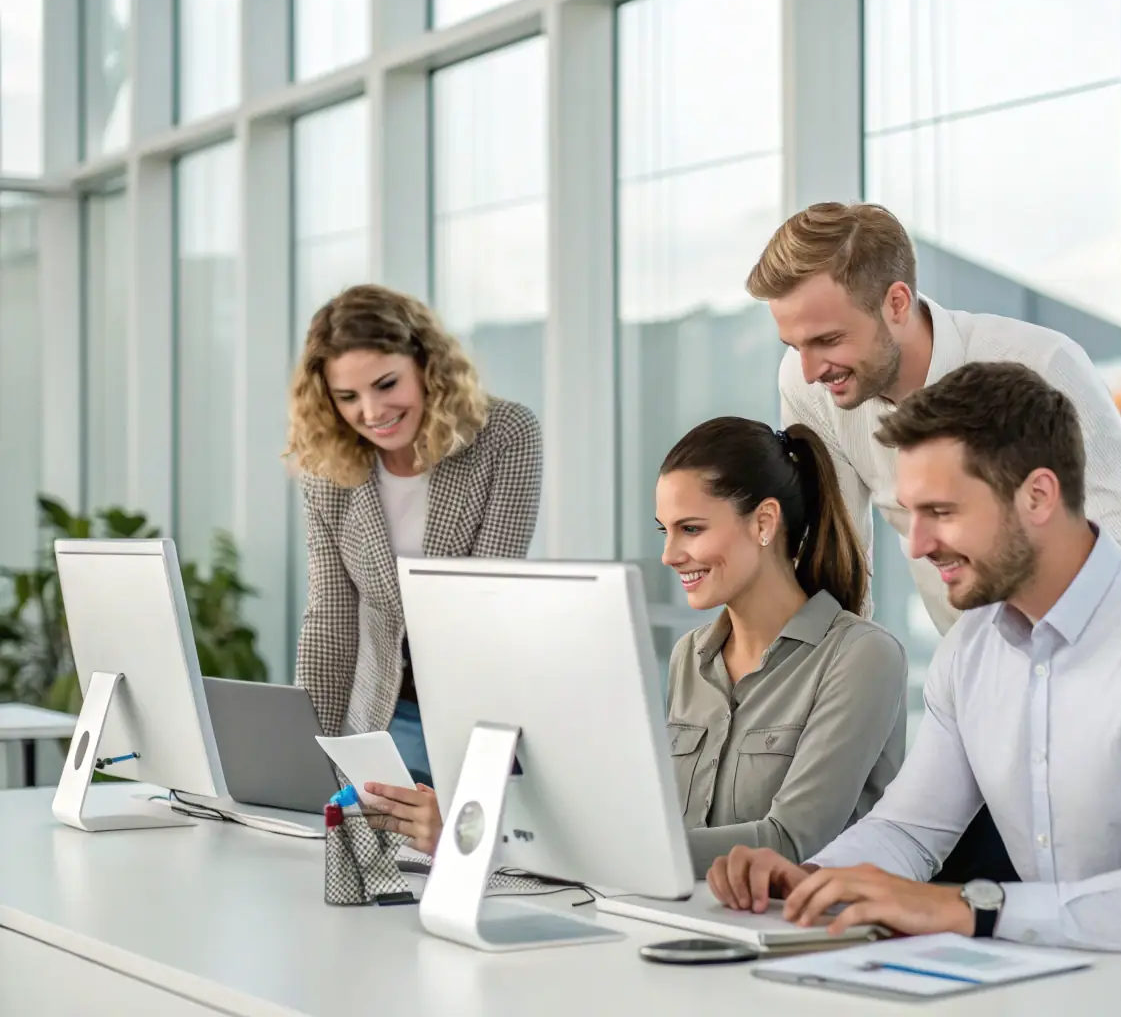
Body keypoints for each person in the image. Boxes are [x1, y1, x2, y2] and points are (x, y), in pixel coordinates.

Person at [707, 362, 1121, 965]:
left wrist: (971, 910)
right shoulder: (972, 647)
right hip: (1062, 983)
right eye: (912, 513)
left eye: (941, 512)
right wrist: (806, 878)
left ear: (1038, 496)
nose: (916, 545)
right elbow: (909, 830)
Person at [748, 201, 1121, 755]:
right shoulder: (807, 383)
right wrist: (819, 727)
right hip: (979, 689)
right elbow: (841, 561)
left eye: (827, 339)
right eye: (793, 343)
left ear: (897, 303)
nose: (808, 366)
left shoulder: (1039, 364)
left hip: (1101, 676)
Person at [364, 417, 908, 874]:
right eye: (664, 531)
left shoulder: (860, 658)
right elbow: (656, 822)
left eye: (691, 529)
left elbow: (790, 843)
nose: (671, 555)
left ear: (764, 522)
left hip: (801, 948)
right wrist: (491, 826)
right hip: (685, 927)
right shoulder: (690, 658)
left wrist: (518, 843)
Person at [286, 283, 542, 787]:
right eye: (347, 397)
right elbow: (331, 620)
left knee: (462, 859)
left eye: (386, 384)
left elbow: (483, 597)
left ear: (427, 364)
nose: (372, 412)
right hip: (383, 706)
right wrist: (302, 753)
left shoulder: (505, 435)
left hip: (478, 703)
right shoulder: (329, 469)